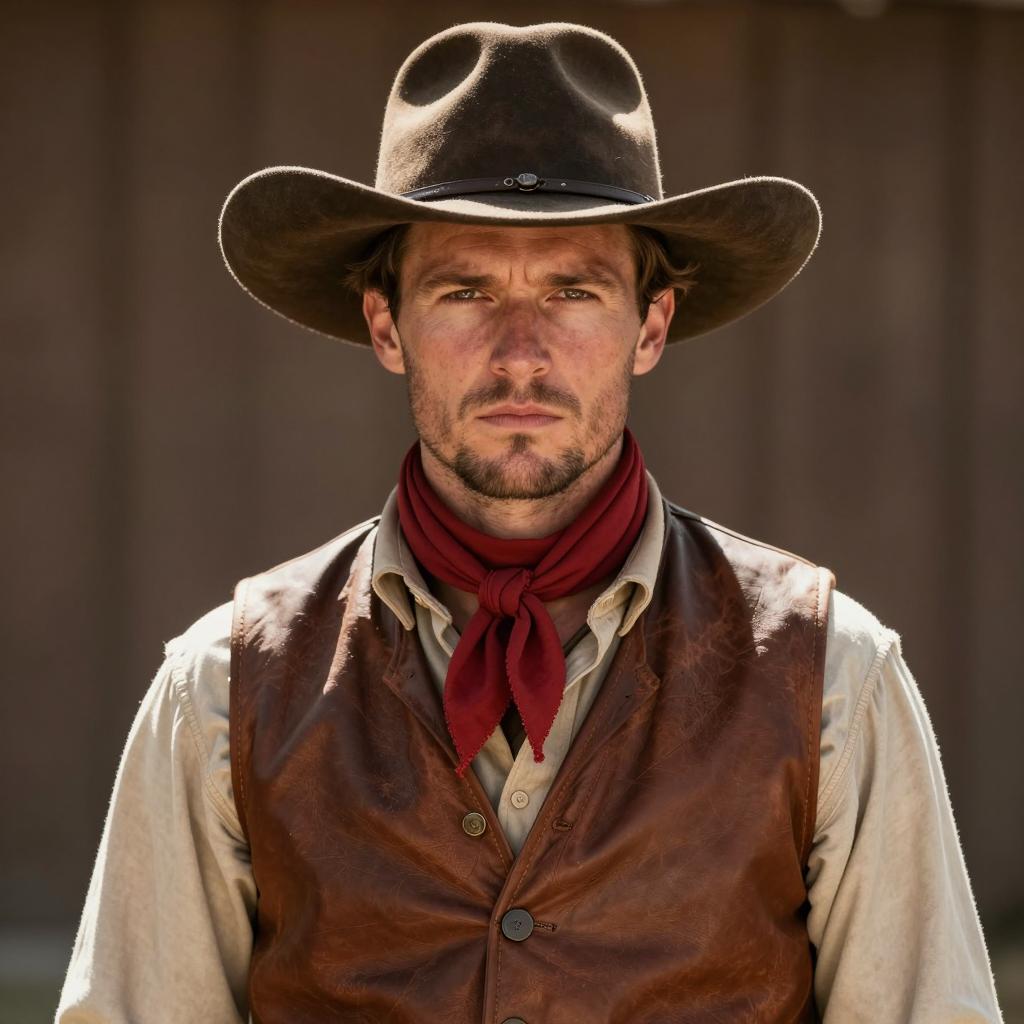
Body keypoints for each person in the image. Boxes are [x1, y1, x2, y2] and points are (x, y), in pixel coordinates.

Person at [57, 20, 1004, 1024]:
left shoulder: (830, 679)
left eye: (571, 290)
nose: (519, 352)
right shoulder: (224, 691)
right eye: (464, 289)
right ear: (386, 324)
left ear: (649, 325)